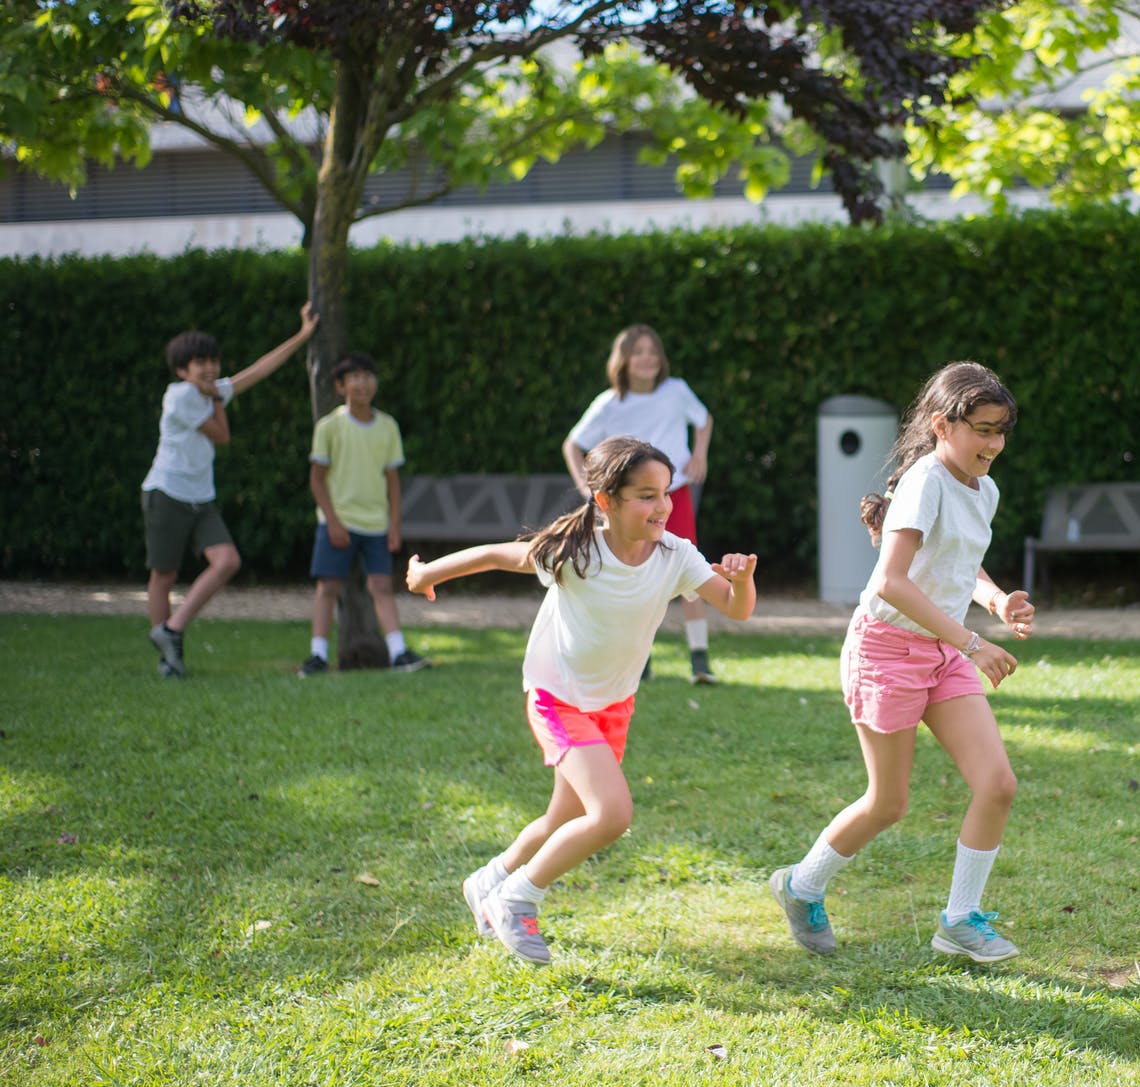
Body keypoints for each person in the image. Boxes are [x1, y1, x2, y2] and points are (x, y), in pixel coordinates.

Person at [406, 435, 758, 966]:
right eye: (645, 495)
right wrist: (428, 573)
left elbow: (735, 608)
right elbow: (498, 555)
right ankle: (517, 899)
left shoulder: (675, 555)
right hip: (556, 696)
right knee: (612, 813)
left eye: (664, 493)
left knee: (560, 818)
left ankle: (489, 880)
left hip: (612, 704)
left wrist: (744, 580)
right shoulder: (576, 551)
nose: (661, 505)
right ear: (606, 502)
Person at [770, 361, 1036, 964]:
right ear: (942, 425)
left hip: (941, 652)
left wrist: (996, 599)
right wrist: (973, 642)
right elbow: (891, 582)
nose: (994, 445)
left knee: (997, 784)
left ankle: (960, 920)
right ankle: (801, 885)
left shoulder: (982, 488)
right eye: (983, 430)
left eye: (1001, 432)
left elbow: (957, 564)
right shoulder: (924, 481)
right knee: (888, 802)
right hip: (886, 651)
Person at [140, 303, 318, 678]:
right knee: (164, 575)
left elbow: (259, 370)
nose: (209, 367)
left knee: (228, 561)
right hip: (166, 491)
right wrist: (218, 395)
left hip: (200, 497)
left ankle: (171, 630)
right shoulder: (181, 396)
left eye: (212, 360)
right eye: (199, 362)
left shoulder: (212, 392)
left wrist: (301, 336)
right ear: (181, 370)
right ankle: (168, 659)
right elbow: (222, 436)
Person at [562, 324, 719, 684]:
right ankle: (639, 658)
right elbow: (572, 444)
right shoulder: (609, 403)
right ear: (624, 359)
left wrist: (700, 455)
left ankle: (699, 659)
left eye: (653, 351)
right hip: (630, 503)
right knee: (636, 573)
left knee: (691, 571)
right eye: (638, 352)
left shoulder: (677, 392)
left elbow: (704, 419)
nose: (647, 358)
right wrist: (584, 484)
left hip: (674, 494)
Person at [299, 352, 427, 676]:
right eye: (354, 377)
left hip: (376, 525)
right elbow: (316, 478)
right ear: (341, 386)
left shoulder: (387, 427)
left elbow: (393, 482)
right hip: (337, 522)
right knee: (328, 588)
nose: (362, 383)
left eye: (368, 375)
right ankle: (317, 656)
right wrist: (332, 520)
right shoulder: (328, 427)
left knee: (382, 586)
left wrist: (394, 525)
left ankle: (399, 653)